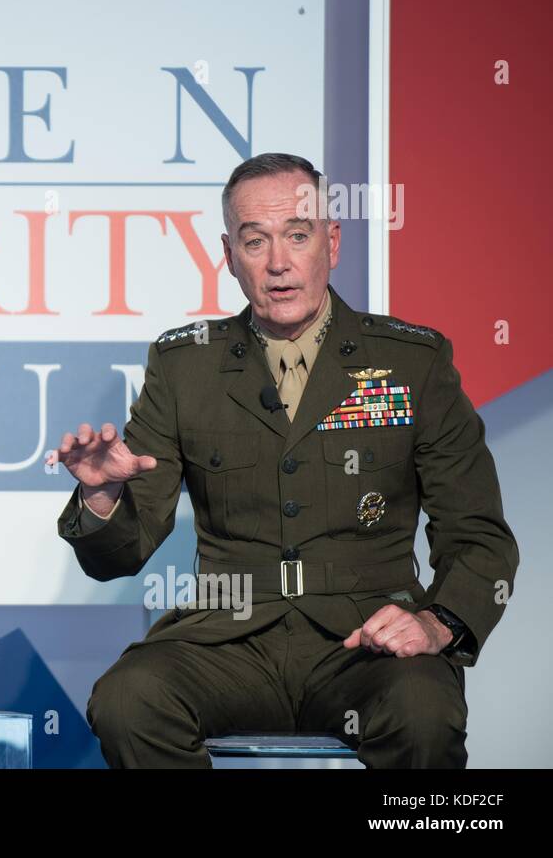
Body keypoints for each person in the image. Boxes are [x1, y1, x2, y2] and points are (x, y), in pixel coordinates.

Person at [51, 152, 518, 768]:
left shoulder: (414, 363)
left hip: (365, 646)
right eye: (255, 241)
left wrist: (436, 623)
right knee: (127, 700)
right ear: (228, 254)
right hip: (227, 643)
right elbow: (123, 555)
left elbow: (479, 535)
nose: (278, 263)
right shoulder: (183, 366)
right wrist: (103, 497)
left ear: (332, 240)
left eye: (297, 236)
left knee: (424, 709)